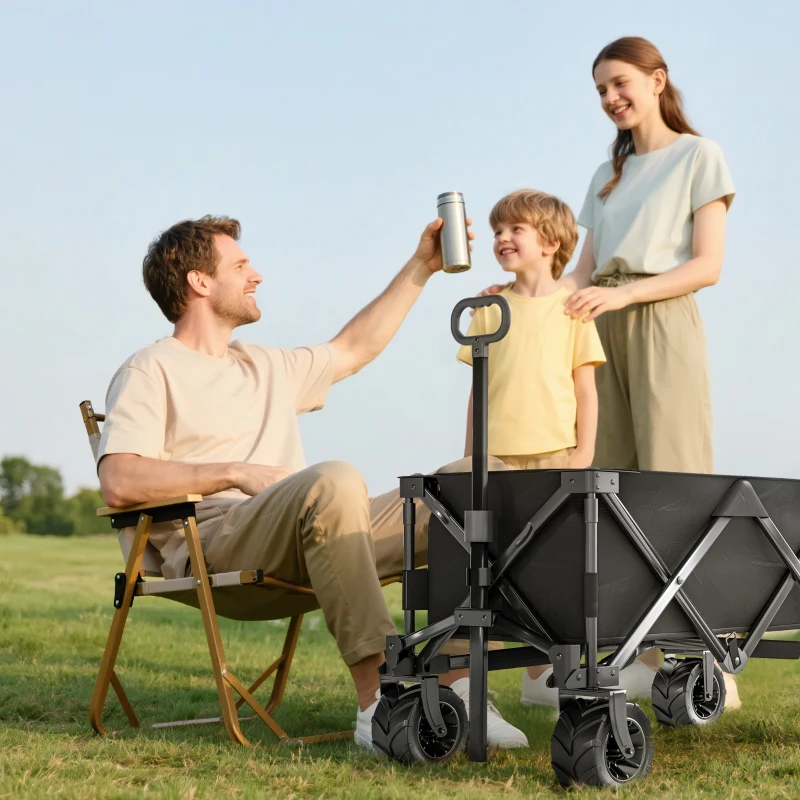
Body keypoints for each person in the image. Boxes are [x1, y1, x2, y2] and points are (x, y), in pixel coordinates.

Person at [96, 214, 529, 752]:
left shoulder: (265, 365)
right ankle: (380, 701)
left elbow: (354, 347)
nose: (257, 276)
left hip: (315, 532)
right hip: (212, 539)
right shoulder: (150, 368)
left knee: (479, 483)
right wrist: (233, 472)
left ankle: (457, 683)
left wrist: (422, 266)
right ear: (199, 282)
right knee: (333, 479)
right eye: (241, 264)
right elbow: (119, 479)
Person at [480, 36, 740, 707]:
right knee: (613, 493)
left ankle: (706, 662)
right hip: (597, 318)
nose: (611, 99)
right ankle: (645, 658)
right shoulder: (607, 173)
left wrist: (623, 295)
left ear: (658, 80)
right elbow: (581, 272)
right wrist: (515, 294)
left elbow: (708, 266)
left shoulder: (698, 156)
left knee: (676, 483)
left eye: (620, 83)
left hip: (660, 316)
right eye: (600, 90)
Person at [457, 190, 606, 708]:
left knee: (548, 568)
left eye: (514, 229)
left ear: (550, 241)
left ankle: (542, 678)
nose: (501, 238)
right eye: (498, 231)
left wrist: (582, 454)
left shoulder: (574, 311)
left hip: (555, 456)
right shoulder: (488, 307)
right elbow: (479, 389)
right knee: (488, 566)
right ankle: (477, 681)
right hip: (494, 461)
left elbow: (585, 388)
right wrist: (471, 456)